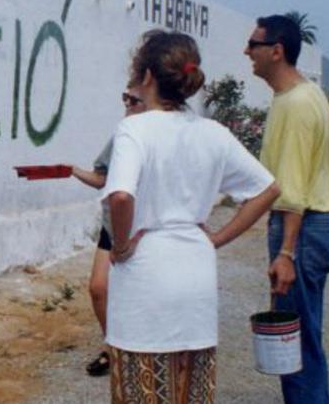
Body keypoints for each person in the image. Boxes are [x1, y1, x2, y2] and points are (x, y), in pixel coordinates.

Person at [101, 30, 280, 404]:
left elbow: (120, 196)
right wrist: (215, 238)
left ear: (147, 76)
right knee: (190, 392)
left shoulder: (134, 129)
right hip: (195, 281)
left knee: (141, 390)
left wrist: (119, 247)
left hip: (146, 282)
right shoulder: (213, 133)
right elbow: (268, 190)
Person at [245, 15, 329, 403]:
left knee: (294, 345)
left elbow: (295, 188)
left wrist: (286, 252)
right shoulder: (303, 94)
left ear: (276, 51)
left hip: (300, 229)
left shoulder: (298, 104)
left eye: (253, 44)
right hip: (312, 228)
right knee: (304, 340)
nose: (246, 51)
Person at [68, 81, 148, 377]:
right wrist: (73, 170)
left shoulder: (161, 136)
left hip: (145, 229)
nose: (127, 104)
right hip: (113, 225)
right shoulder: (121, 136)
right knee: (99, 289)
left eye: (134, 100)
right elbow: (102, 178)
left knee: (140, 293)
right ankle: (114, 347)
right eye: (125, 98)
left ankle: (138, 349)